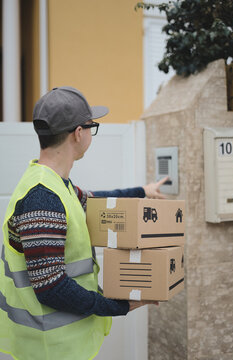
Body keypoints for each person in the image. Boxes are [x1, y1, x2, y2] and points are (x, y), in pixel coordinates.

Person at [0, 86, 168, 360]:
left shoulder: (55, 184)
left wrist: (142, 190)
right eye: (91, 126)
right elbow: (51, 287)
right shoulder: (42, 198)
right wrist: (122, 304)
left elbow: (92, 200)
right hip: (51, 348)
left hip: (64, 344)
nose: (91, 133)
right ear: (78, 133)